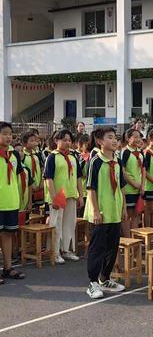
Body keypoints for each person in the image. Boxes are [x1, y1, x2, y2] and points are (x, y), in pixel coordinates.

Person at [84, 127, 127, 299]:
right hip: (100, 211)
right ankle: (93, 282)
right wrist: (95, 210)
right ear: (100, 141)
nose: (115, 140)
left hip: (114, 211)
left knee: (112, 247)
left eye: (115, 137)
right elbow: (91, 188)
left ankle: (105, 277)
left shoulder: (117, 161)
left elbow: (121, 186)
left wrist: (123, 207)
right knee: (97, 248)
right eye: (110, 138)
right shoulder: (95, 161)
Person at [43, 129, 83, 264]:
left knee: (69, 223)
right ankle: (55, 252)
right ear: (56, 141)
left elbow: (78, 177)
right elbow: (48, 178)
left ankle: (66, 250)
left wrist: (81, 196)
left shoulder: (73, 157)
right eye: (64, 140)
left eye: (69, 140)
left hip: (71, 194)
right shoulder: (52, 157)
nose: (67, 143)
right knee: (56, 224)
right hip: (58, 195)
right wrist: (53, 197)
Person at [0, 122, 26, 282]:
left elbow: (18, 179)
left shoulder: (14, 154)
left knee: (8, 234)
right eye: (4, 133)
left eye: (10, 133)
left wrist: (21, 199)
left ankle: (8, 267)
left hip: (11, 201)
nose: (8, 137)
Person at [120, 129, 144, 237]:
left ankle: (135, 240)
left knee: (136, 214)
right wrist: (134, 184)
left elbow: (143, 169)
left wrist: (142, 185)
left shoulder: (140, 152)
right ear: (127, 138)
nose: (137, 139)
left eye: (139, 136)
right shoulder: (125, 152)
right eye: (134, 136)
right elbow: (123, 172)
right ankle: (127, 239)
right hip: (129, 188)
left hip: (139, 188)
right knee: (127, 215)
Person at [22, 130, 44, 209]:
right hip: (29, 189)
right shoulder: (22, 156)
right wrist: (31, 186)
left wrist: (41, 181)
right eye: (31, 141)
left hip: (39, 187)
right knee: (29, 208)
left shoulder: (36, 155)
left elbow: (41, 168)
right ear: (24, 143)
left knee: (39, 209)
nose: (35, 143)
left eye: (35, 140)